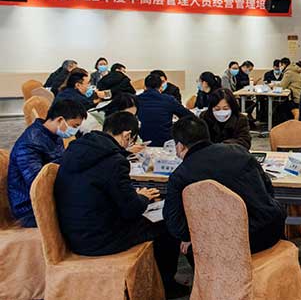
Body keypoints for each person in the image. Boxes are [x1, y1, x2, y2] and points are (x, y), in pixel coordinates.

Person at [54, 112, 187, 298]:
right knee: (166, 225)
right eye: (132, 139)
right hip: (101, 239)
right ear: (127, 135)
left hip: (72, 233)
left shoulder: (76, 150)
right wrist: (143, 198)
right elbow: (131, 210)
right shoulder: (115, 162)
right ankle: (166, 285)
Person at [163, 116, 286, 255]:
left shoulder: (180, 175)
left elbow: (175, 224)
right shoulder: (239, 151)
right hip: (271, 229)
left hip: (230, 244)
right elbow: (268, 188)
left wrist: (190, 236)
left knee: (189, 245)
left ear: (180, 146)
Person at [7, 99, 86, 227]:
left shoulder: (53, 135)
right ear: (60, 120)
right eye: (74, 126)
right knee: (89, 213)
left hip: (49, 198)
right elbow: (38, 183)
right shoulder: (30, 143)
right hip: (30, 209)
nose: (75, 131)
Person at [138, 73, 193, 146]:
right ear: (161, 86)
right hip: (165, 140)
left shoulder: (137, 99)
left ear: (145, 86)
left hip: (143, 140)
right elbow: (188, 115)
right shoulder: (168, 99)